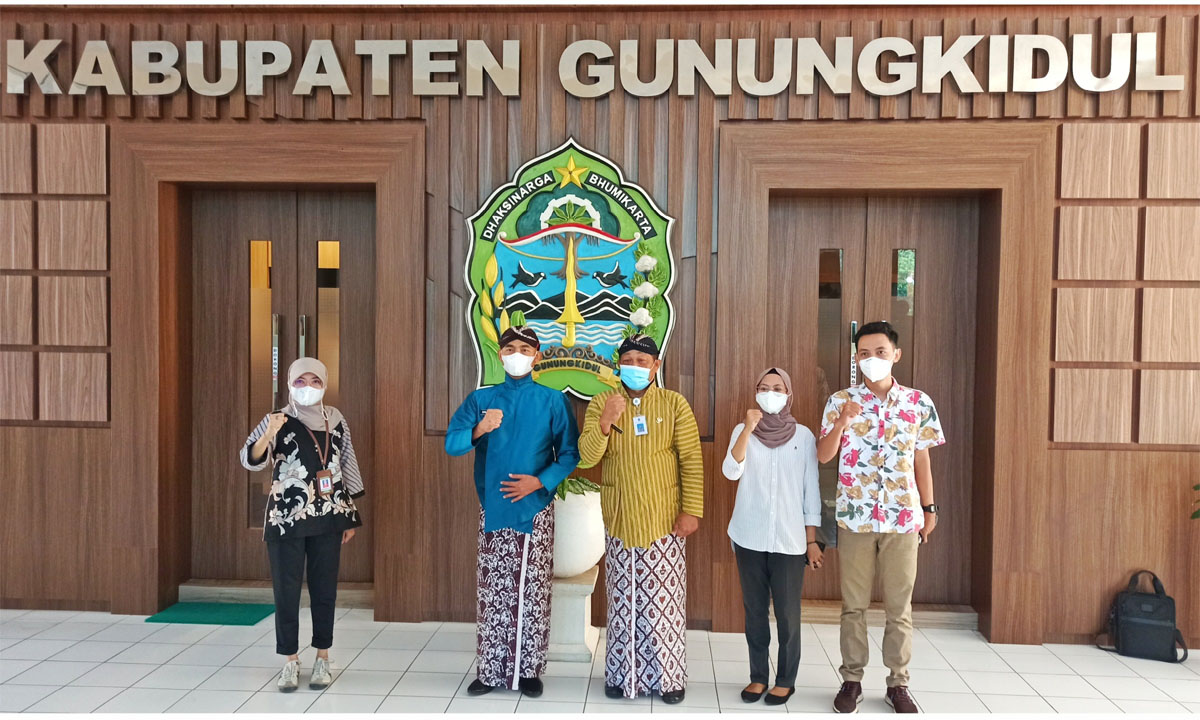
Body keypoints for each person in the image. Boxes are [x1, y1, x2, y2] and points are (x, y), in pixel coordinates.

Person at [816, 321, 945, 714]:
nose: (872, 359)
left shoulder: (918, 402)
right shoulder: (840, 400)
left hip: (902, 518)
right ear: (856, 358)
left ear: (896, 355)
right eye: (864, 353)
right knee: (853, 606)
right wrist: (843, 422)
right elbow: (823, 455)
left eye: (880, 352)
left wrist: (929, 508)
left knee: (898, 607)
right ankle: (851, 679)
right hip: (855, 519)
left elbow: (921, 459)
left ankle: (898, 683)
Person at [445, 325, 580, 698]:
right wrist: (480, 428)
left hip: (535, 508)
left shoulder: (552, 401)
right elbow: (453, 445)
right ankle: (490, 671)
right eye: (509, 348)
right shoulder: (481, 399)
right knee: (494, 590)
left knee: (532, 589)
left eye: (524, 348)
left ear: (537, 356)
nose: (516, 354)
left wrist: (539, 482)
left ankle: (530, 671)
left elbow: (569, 453)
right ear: (499, 354)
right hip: (493, 508)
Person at [578, 333, 703, 704]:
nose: (634, 366)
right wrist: (605, 422)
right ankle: (620, 676)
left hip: (664, 518)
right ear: (619, 365)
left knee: (662, 600)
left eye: (642, 361)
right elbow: (586, 458)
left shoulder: (674, 403)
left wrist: (691, 509)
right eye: (628, 360)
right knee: (622, 600)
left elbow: (690, 459)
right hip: (620, 517)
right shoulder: (602, 401)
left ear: (655, 365)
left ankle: (669, 679)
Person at [239, 357, 364, 693]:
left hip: (330, 515)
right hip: (286, 518)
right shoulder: (277, 418)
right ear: (289, 384)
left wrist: (348, 514)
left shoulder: (335, 419)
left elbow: (346, 463)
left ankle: (323, 656)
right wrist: (269, 433)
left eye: (315, 381)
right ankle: (290, 660)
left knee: (325, 589)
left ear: (324, 384)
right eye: (300, 381)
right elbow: (251, 460)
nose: (307, 387)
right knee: (286, 590)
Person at [723, 367, 823, 706]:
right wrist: (748, 429)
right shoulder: (743, 430)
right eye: (764, 388)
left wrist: (811, 541)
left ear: (788, 394)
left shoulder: (804, 436)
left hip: (789, 541)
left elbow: (811, 491)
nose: (770, 393)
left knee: (787, 614)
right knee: (754, 611)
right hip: (748, 536)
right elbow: (731, 471)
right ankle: (757, 676)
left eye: (778, 388)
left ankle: (785, 680)